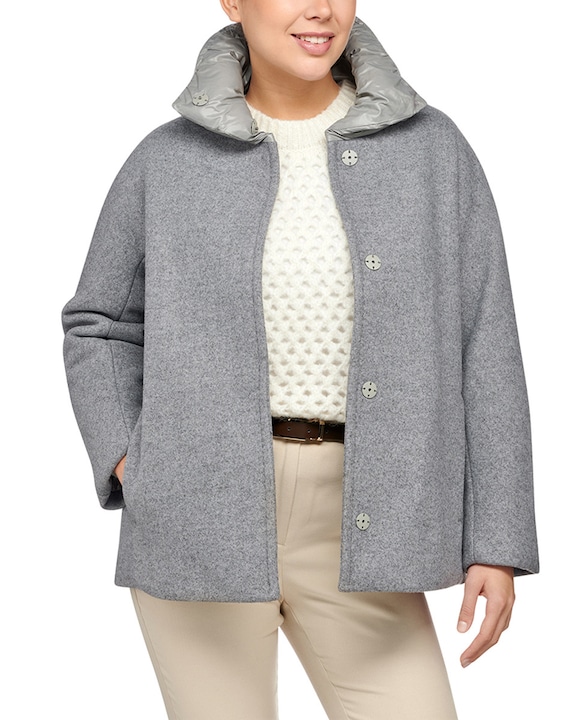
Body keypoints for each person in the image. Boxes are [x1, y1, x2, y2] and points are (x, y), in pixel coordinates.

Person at [61, 1, 540, 718]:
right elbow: (98, 325)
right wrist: (139, 465)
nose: (320, 8)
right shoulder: (166, 161)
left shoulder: (433, 153)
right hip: (200, 517)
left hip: (371, 516)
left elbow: (488, 346)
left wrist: (497, 541)